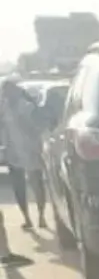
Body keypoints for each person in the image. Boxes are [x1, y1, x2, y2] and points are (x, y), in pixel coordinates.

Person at [0, 78, 47, 230]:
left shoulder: (27, 106)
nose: (6, 95)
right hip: (13, 153)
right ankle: (27, 218)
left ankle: (41, 216)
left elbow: (37, 128)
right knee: (19, 188)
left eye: (8, 91)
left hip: (31, 151)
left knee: (37, 184)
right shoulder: (4, 108)